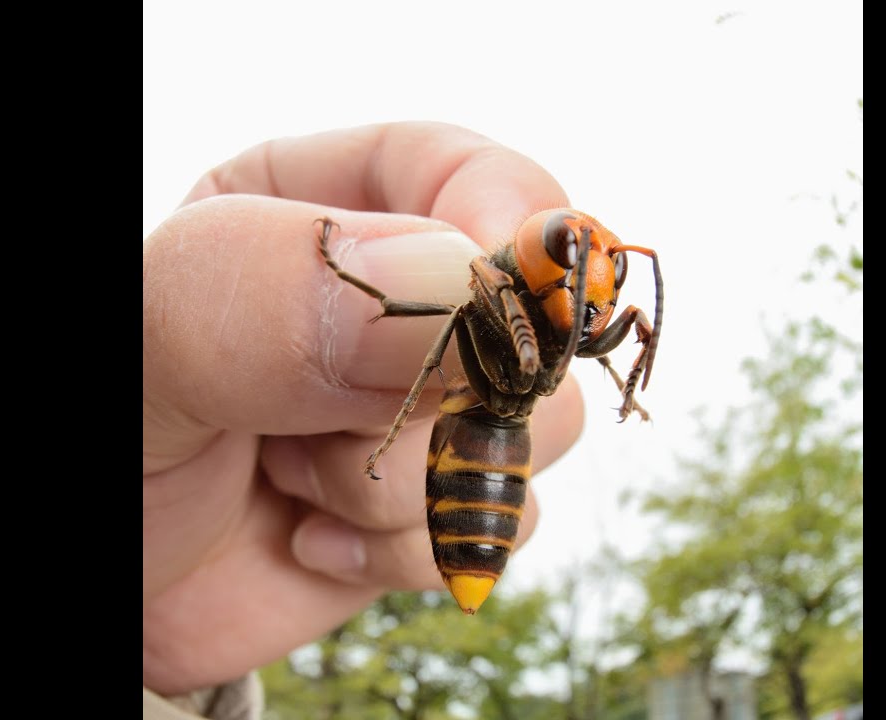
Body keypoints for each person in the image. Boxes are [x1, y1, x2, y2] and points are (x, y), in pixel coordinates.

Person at [143, 122, 586, 719]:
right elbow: (421, 308)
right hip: (487, 445)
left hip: (495, 443)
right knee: (450, 313)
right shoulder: (489, 279)